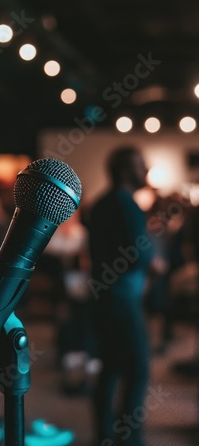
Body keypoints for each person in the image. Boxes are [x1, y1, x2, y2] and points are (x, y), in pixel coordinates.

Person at [89, 146, 165, 446]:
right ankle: (129, 439)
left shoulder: (102, 203)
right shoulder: (125, 204)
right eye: (140, 165)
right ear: (125, 169)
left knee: (110, 367)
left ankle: (104, 434)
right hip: (122, 299)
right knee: (137, 367)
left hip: (105, 297)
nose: (146, 170)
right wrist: (157, 262)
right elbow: (140, 252)